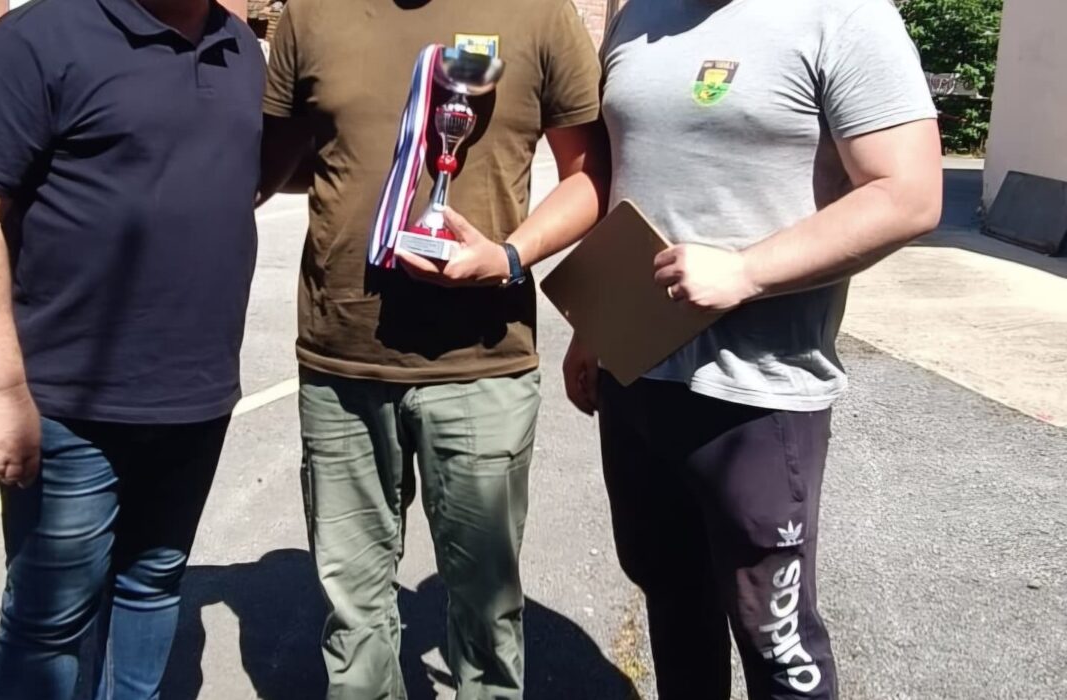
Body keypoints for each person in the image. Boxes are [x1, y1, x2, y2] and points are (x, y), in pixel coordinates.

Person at [560, 0, 943, 698]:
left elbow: (909, 194)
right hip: (636, 375)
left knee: (777, 640)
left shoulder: (844, 16)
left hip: (759, 396)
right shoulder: (638, 14)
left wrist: (747, 271)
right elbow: (634, 177)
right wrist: (596, 324)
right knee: (673, 601)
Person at [257, 0, 608, 696]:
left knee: (486, 615)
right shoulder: (308, 13)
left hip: (482, 362)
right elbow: (275, 162)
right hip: (341, 362)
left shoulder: (540, 12)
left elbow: (590, 175)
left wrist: (510, 256)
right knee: (354, 619)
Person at [0, 0, 264, 697]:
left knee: (152, 586)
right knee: (49, 619)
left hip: (197, 395)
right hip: (68, 405)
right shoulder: (42, 36)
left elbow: (232, 176)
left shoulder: (237, 45)